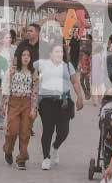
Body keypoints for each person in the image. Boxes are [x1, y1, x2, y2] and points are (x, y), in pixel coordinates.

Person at [35, 41, 84, 170]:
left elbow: (75, 82)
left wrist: (79, 96)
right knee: (48, 130)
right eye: (55, 51)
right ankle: (46, 157)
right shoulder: (43, 65)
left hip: (63, 102)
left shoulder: (68, 66)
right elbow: (34, 79)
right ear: (50, 53)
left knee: (64, 131)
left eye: (61, 51)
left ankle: (55, 147)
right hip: (46, 102)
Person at [3, 48, 37, 170]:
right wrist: (3, 106)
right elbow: (6, 89)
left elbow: (34, 93)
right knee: (12, 130)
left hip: (27, 103)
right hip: (14, 102)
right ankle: (8, 149)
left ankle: (21, 158)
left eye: (28, 55)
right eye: (23, 55)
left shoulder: (34, 73)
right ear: (19, 57)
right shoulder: (12, 71)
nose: (26, 57)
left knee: (25, 132)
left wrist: (34, 108)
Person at [90, 40, 107, 106]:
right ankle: (100, 101)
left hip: (94, 74)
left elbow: (91, 66)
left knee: (94, 88)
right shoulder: (100, 57)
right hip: (99, 74)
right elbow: (102, 66)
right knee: (100, 88)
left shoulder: (93, 57)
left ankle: (94, 101)